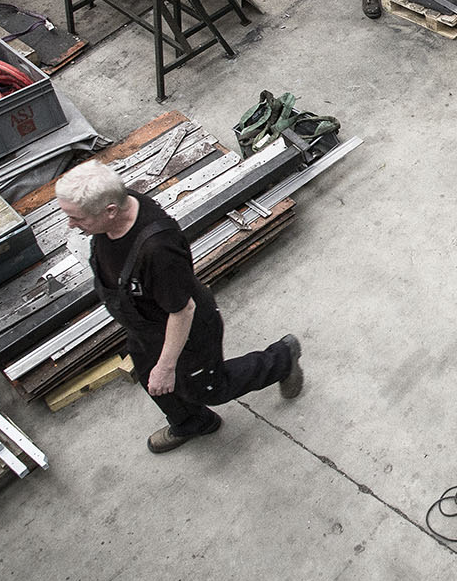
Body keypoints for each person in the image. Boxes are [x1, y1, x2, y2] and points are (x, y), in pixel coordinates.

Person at [55, 160, 304, 454]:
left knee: (209, 388)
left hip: (186, 330)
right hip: (145, 325)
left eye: (77, 218)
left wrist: (166, 365)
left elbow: (182, 311)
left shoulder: (159, 250)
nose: (71, 224)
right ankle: (192, 423)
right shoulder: (115, 208)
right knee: (151, 378)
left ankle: (282, 359)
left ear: (110, 211)